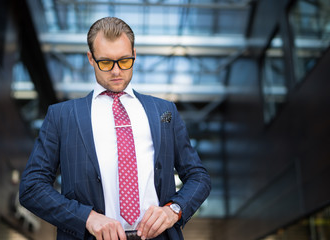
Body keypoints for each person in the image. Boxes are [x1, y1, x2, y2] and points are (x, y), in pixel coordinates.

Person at [19, 17, 211, 240]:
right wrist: (87, 218)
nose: (117, 71)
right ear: (91, 58)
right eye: (106, 62)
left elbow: (198, 176)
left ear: (135, 54)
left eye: (124, 61)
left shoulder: (164, 111)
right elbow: (32, 187)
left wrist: (174, 210)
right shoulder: (62, 116)